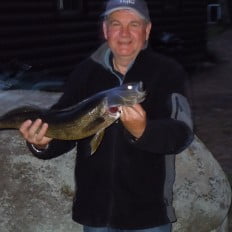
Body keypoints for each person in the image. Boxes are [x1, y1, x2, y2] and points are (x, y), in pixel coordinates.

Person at [19, 0, 194, 231]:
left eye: (133, 24)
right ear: (105, 29)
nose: (124, 33)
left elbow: (182, 133)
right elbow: (65, 123)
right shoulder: (85, 72)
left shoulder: (168, 72)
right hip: (95, 215)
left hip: (148, 216)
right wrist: (43, 143)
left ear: (147, 30)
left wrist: (144, 131)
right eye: (115, 24)